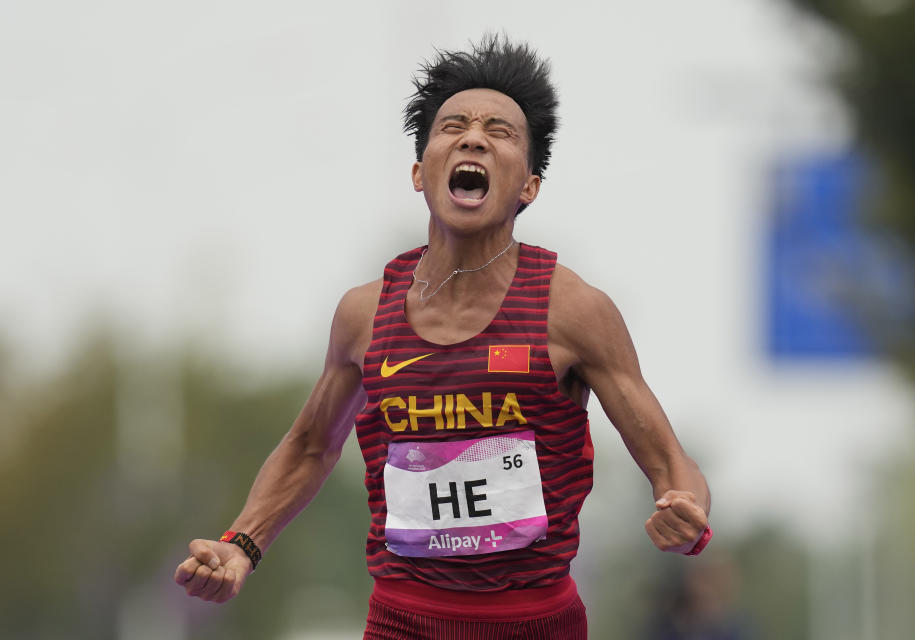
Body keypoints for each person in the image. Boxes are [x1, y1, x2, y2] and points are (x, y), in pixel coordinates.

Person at [174, 34, 711, 639]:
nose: (473, 137)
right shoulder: (363, 314)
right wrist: (242, 543)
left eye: (500, 132)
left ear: (529, 185)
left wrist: (685, 511)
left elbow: (671, 461)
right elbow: (309, 447)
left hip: (536, 624)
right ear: (419, 171)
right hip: (403, 622)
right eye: (452, 125)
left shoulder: (573, 310)